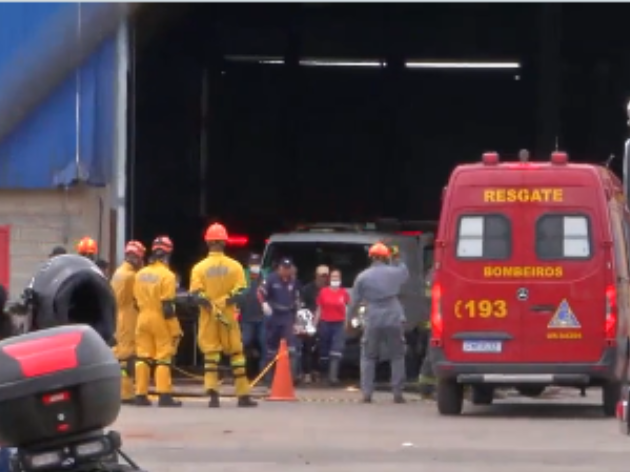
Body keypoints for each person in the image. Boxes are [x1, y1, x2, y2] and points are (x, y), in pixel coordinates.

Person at [189, 223, 257, 408]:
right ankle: (242, 395)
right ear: (225, 243)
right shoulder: (235, 267)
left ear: (207, 243)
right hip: (228, 317)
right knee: (236, 354)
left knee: (211, 356)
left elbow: (195, 295)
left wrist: (211, 304)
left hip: (209, 316)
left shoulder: (198, 268)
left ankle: (213, 395)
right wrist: (226, 301)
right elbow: (242, 292)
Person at [347, 242, 409, 403]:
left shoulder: (363, 276)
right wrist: (396, 258)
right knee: (397, 356)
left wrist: (348, 320)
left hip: (373, 316)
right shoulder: (394, 272)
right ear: (385, 257)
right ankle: (397, 393)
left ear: (371, 258)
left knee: (368, 356)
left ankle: (367, 393)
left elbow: (354, 302)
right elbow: (405, 272)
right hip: (393, 314)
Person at [134, 236, 183, 408]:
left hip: (142, 317)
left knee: (143, 357)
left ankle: (140, 394)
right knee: (163, 357)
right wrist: (175, 328)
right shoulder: (168, 276)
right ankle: (164, 395)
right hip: (159, 318)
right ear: (168, 253)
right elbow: (167, 307)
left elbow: (135, 301)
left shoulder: (139, 274)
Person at [111, 240, 146, 404]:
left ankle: (123, 390)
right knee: (127, 356)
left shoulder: (118, 272)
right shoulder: (131, 276)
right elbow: (139, 297)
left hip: (119, 316)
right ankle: (125, 393)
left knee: (120, 353)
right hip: (128, 317)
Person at [258, 257, 301, 382]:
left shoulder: (293, 281)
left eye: (288, 268)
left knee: (292, 349)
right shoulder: (271, 279)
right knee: (271, 349)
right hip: (274, 315)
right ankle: (268, 379)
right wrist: (264, 304)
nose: (286, 271)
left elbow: (297, 299)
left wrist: (297, 318)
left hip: (288, 315)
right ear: (279, 268)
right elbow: (260, 292)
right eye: (284, 268)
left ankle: (290, 379)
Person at [315, 268, 349, 386]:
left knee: (336, 351)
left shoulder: (344, 292)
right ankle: (324, 375)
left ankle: (333, 377)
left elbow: (346, 309)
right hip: (325, 323)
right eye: (333, 277)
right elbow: (319, 309)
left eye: (337, 277)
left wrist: (346, 324)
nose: (335, 279)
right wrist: (314, 324)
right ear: (330, 279)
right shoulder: (323, 291)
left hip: (339, 324)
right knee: (324, 351)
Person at [237, 253, 267, 376]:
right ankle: (240, 372)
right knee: (244, 343)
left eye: (257, 263)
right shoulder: (242, 275)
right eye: (252, 263)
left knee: (265, 344)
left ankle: (263, 374)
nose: (255, 266)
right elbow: (237, 293)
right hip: (246, 317)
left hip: (262, 318)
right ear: (248, 264)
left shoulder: (266, 275)